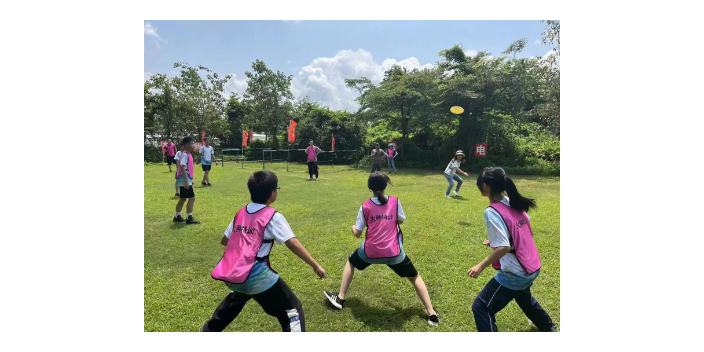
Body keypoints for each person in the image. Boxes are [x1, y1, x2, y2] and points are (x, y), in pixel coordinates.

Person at [202, 170, 326, 332]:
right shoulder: (272, 216)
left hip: (236, 274)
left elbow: (225, 240)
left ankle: (209, 329)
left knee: (238, 296)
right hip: (257, 276)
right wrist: (315, 266)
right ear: (272, 194)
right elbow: (292, 243)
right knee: (293, 310)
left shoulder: (241, 213)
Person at [323, 172, 440, 326]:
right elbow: (401, 221)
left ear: (369, 187)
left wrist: (352, 227)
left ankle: (340, 298)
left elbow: (357, 233)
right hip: (394, 253)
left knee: (351, 262)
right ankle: (431, 313)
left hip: (369, 252)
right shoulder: (395, 201)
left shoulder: (365, 206)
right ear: (386, 186)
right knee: (414, 277)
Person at [467, 167, 558, 332]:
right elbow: (519, 229)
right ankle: (549, 327)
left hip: (516, 273)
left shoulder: (492, 211)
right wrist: (495, 241)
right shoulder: (510, 200)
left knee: (481, 307)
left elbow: (504, 246)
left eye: (478, 184)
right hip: (532, 266)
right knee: (524, 298)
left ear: (485, 186)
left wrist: (480, 266)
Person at [173, 137, 200, 224]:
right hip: (184, 180)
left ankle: (177, 216)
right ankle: (189, 217)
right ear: (185, 145)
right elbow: (182, 167)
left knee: (183, 198)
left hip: (186, 179)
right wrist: (186, 181)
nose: (193, 145)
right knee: (192, 198)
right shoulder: (185, 155)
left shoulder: (188, 154)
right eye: (192, 143)